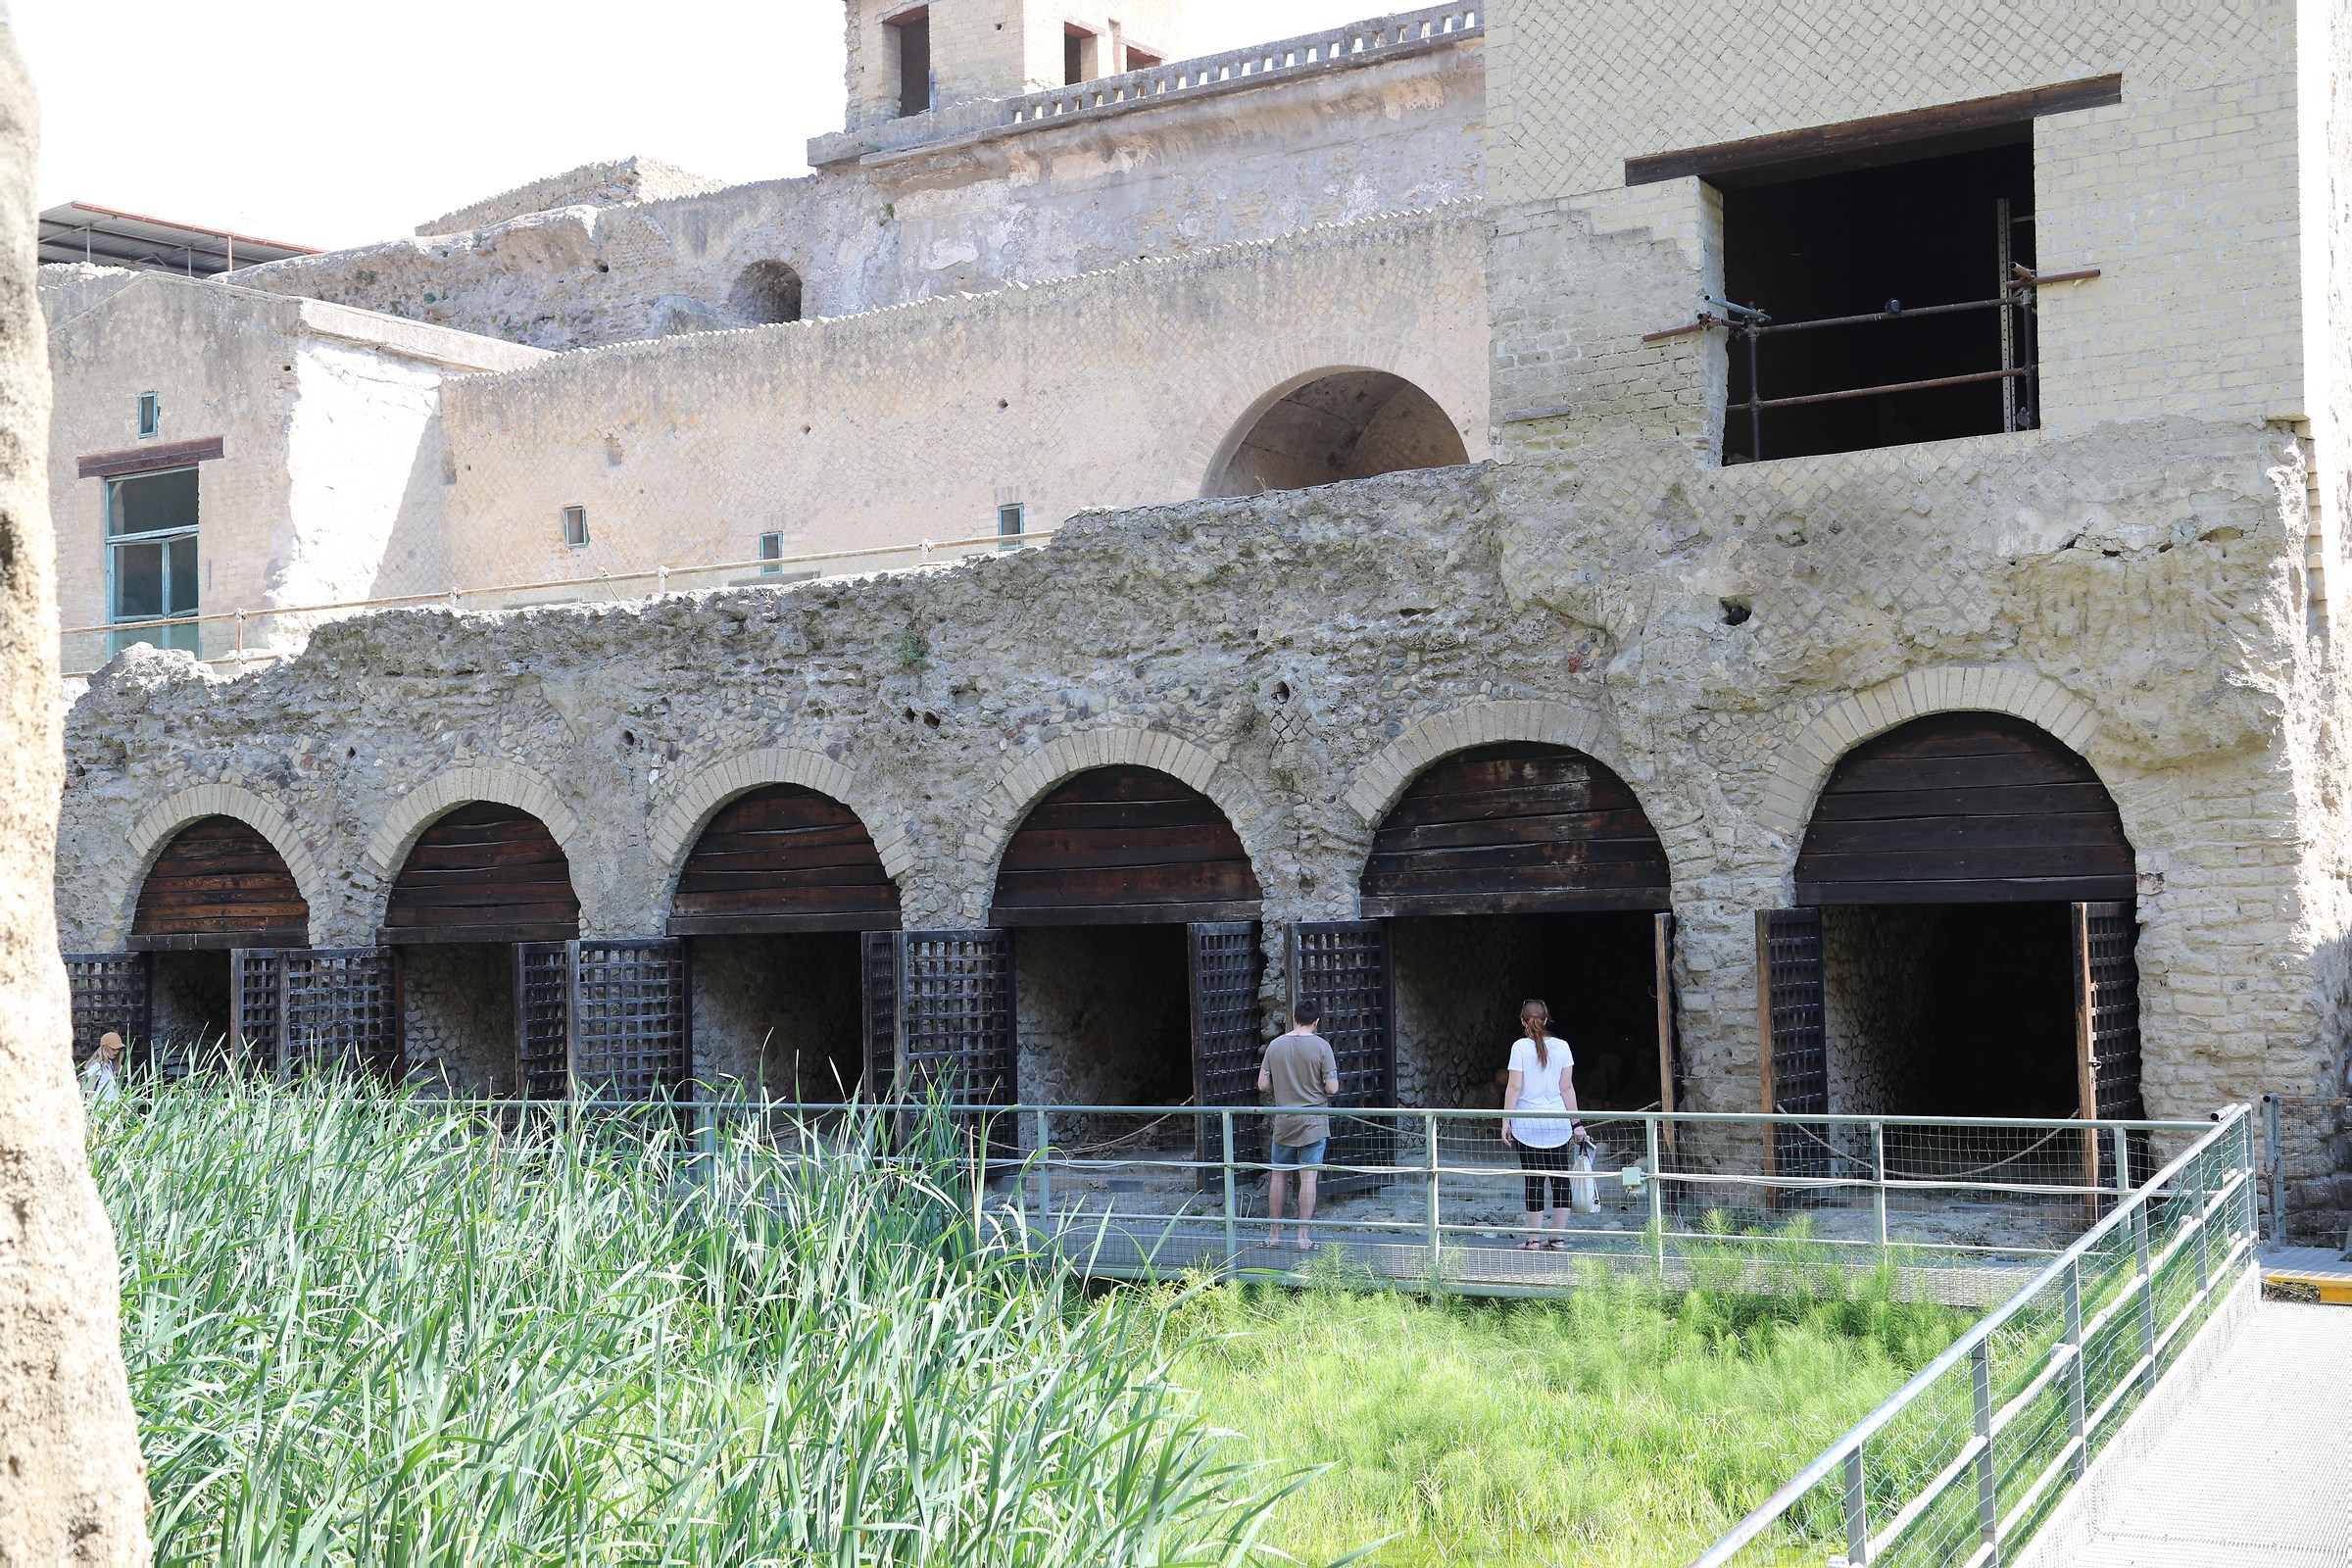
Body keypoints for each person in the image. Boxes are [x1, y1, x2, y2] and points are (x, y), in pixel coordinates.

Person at [1501, 999, 1586, 1250]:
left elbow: (1515, 1086)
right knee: (1561, 1179)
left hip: (1527, 1125)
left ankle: (1533, 1240)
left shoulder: (1519, 1048)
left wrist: (1506, 1120)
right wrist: (1576, 1123)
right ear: (1547, 1019)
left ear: (1522, 1022)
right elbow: (1566, 1088)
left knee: (1534, 1181)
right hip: (1558, 1125)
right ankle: (1558, 1238)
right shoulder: (1563, 1047)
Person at [1258, 999, 1340, 1250]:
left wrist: (1282, 1086)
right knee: (1308, 1179)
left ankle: (1273, 1236)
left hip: (1284, 1120)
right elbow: (1332, 1087)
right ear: (1317, 1021)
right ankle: (1303, 1238)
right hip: (1313, 1121)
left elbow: (1262, 1084)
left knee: (1278, 1177)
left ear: (1294, 1018)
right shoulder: (1322, 1047)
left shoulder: (1275, 1045)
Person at [81, 1030, 123, 1106]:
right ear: (105, 1049)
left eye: (119, 1049)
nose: (117, 1052)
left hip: (110, 1106)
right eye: (113, 1049)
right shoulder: (96, 1066)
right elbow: (90, 1091)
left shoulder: (110, 1064)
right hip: (100, 1108)